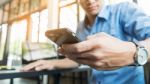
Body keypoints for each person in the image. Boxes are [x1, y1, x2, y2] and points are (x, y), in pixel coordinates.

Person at [21, 0, 150, 84]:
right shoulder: (81, 27)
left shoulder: (124, 10)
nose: (90, 1)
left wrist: (134, 53)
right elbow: (77, 60)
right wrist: (51, 63)